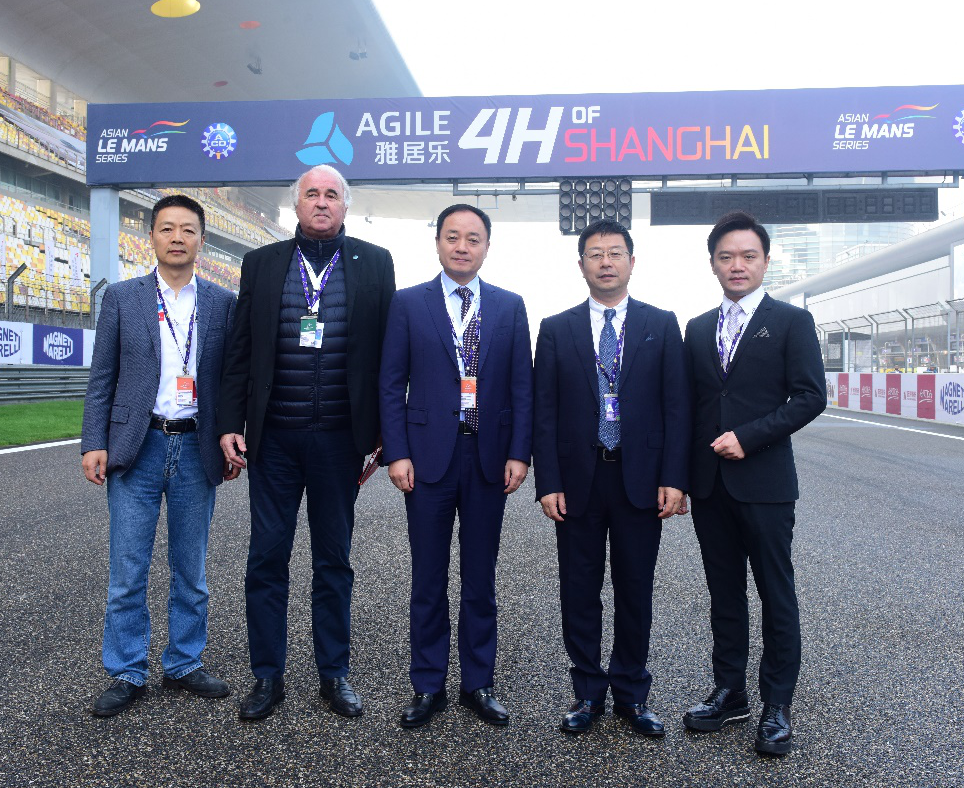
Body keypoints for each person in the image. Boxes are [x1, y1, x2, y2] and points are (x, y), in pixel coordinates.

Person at [218, 164, 396, 722]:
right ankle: (267, 676)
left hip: (339, 441)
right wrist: (230, 422)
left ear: (345, 206)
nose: (322, 202)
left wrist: (385, 432)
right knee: (266, 558)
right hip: (273, 441)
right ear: (296, 204)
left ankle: (334, 674)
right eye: (312, 194)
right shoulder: (262, 263)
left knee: (333, 561)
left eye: (332, 195)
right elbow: (240, 351)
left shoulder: (376, 262)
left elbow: (389, 356)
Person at [79, 194, 238, 718]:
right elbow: (102, 377)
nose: (177, 238)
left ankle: (184, 662)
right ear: (150, 236)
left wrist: (232, 435)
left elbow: (232, 380)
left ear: (202, 240)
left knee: (191, 570)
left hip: (196, 446)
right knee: (128, 571)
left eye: (187, 230)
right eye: (167, 228)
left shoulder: (223, 303)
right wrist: (94, 441)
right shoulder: (122, 298)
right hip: (137, 445)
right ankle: (127, 670)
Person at [532, 219, 690, 737]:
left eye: (615, 252)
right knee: (579, 589)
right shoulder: (556, 328)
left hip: (640, 478)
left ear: (632, 262)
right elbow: (544, 412)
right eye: (595, 254)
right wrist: (548, 481)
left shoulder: (661, 323)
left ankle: (632, 692)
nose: (605, 262)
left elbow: (677, 407)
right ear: (581, 265)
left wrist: (674, 477)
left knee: (635, 589)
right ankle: (587, 693)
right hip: (578, 479)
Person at [379, 204, 534, 729]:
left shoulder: (509, 306)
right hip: (426, 458)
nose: (462, 246)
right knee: (427, 577)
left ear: (487, 246)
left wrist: (519, 452)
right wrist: (397, 452)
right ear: (438, 243)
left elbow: (522, 386)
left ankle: (478, 683)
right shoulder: (408, 303)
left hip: (488, 457)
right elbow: (390, 383)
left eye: (473, 238)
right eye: (452, 237)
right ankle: (428, 684)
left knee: (480, 578)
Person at [681, 210, 826, 757]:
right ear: (713, 264)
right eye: (726, 257)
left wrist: (749, 437)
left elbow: (810, 397)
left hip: (765, 482)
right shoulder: (697, 328)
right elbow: (692, 406)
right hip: (710, 486)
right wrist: (679, 479)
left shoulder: (791, 322)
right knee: (724, 594)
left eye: (748, 256)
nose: (737, 265)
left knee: (775, 593)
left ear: (765, 261)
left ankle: (777, 705)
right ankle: (730, 692)